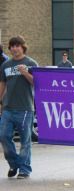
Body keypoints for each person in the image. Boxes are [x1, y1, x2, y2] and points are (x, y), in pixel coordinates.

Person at [0, 36, 38, 179]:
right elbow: (2, 84)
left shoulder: (31, 63)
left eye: (17, 46)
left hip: (25, 109)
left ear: (23, 47)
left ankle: (24, 169)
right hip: (8, 108)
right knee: (3, 136)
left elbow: (36, 83)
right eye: (12, 46)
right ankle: (14, 163)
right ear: (9, 48)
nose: (15, 48)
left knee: (25, 141)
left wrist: (25, 73)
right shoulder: (6, 65)